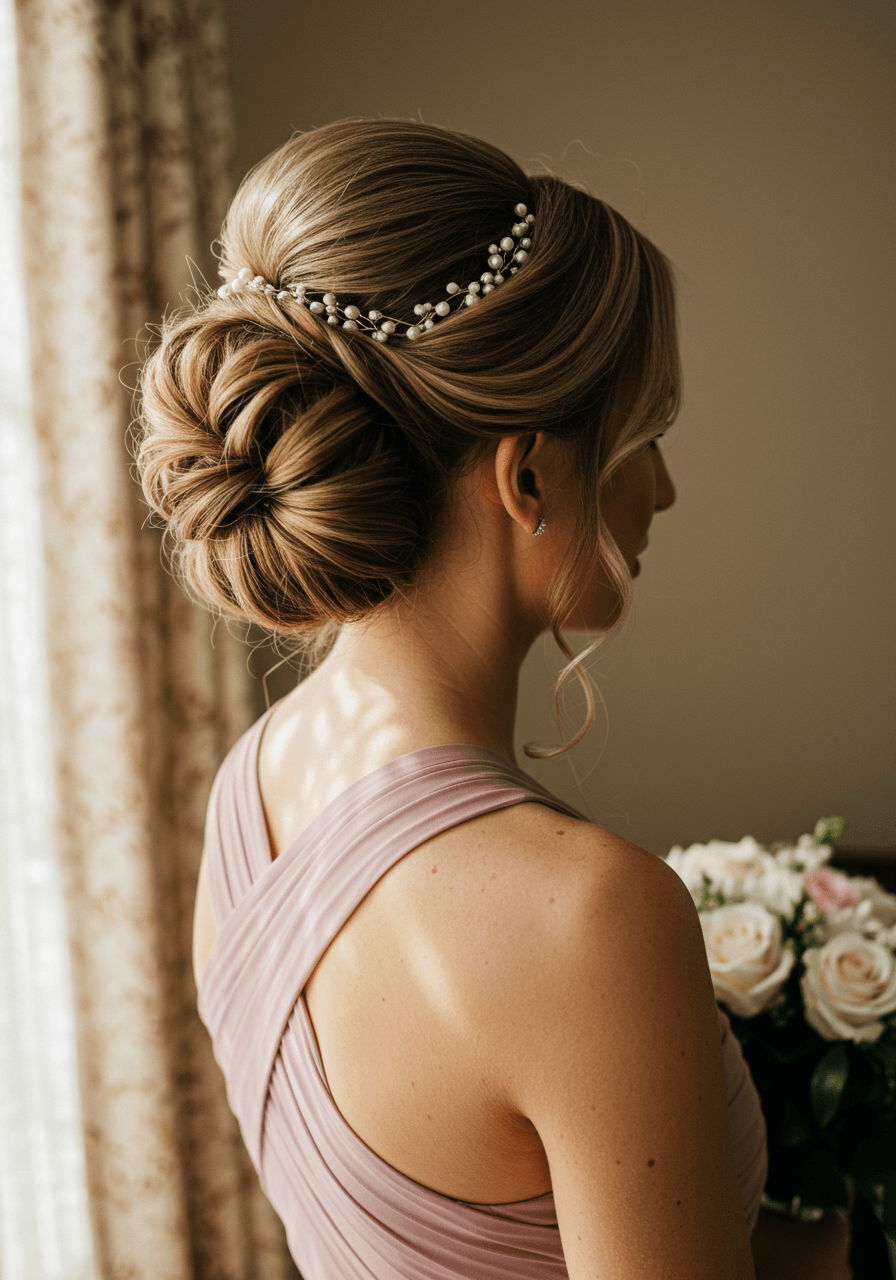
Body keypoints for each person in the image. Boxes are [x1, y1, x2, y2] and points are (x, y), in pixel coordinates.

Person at [136, 118, 848, 1279]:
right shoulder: (588, 916)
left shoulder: (249, 789)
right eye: (646, 434)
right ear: (527, 476)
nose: (665, 488)